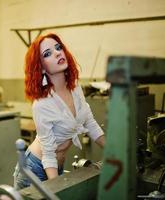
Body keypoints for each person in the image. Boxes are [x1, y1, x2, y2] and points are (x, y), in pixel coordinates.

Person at [13, 33, 105, 190]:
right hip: (34, 170)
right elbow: (48, 153)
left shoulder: (75, 88)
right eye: (47, 54)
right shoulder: (42, 104)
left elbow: (90, 122)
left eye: (58, 47)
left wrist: (115, 153)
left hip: (57, 166)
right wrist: (57, 189)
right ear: (41, 67)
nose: (57, 53)